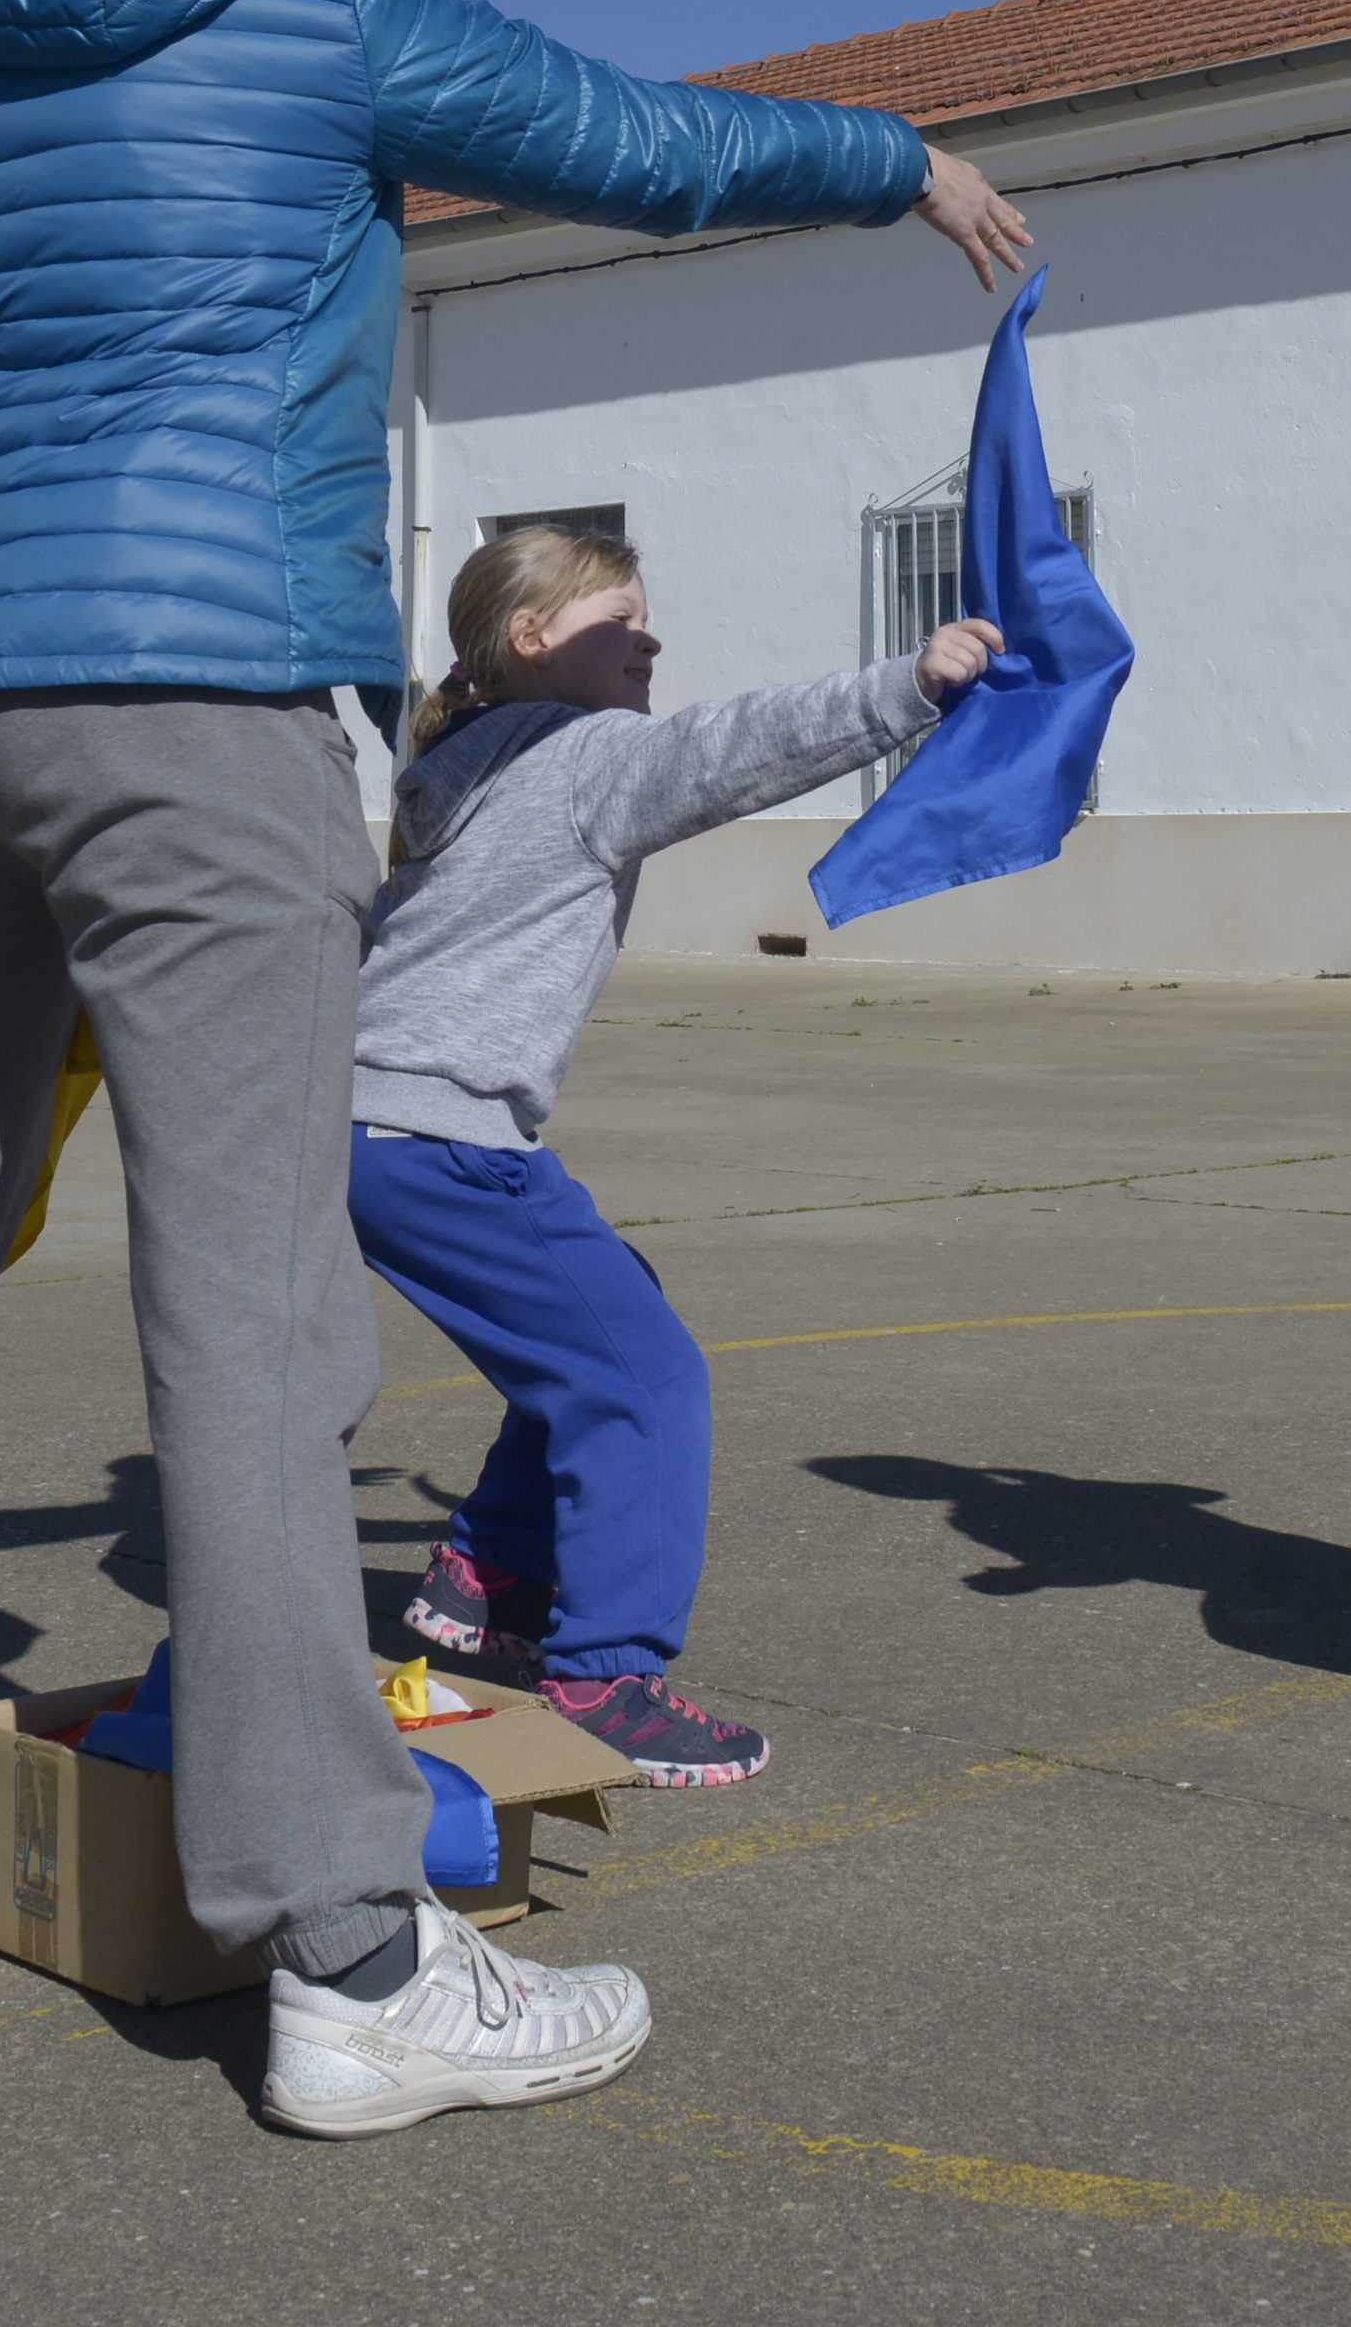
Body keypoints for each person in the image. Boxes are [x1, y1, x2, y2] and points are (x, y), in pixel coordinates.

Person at [0, 0, 1029, 2142]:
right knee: (257, 1296)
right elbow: (639, 137)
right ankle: (344, 1943)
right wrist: (893, 153)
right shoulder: (317, 4)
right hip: (191, 692)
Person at [356, 523, 1002, 1787]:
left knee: (602, 1329)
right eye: (620, 619)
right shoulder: (585, 753)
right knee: (647, 1385)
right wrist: (908, 687)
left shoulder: (461, 756)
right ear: (530, 638)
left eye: (652, 619)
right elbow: (730, 751)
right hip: (444, 1133)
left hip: (378, 1130)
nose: (649, 638)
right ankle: (605, 1670)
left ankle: (489, 1565)